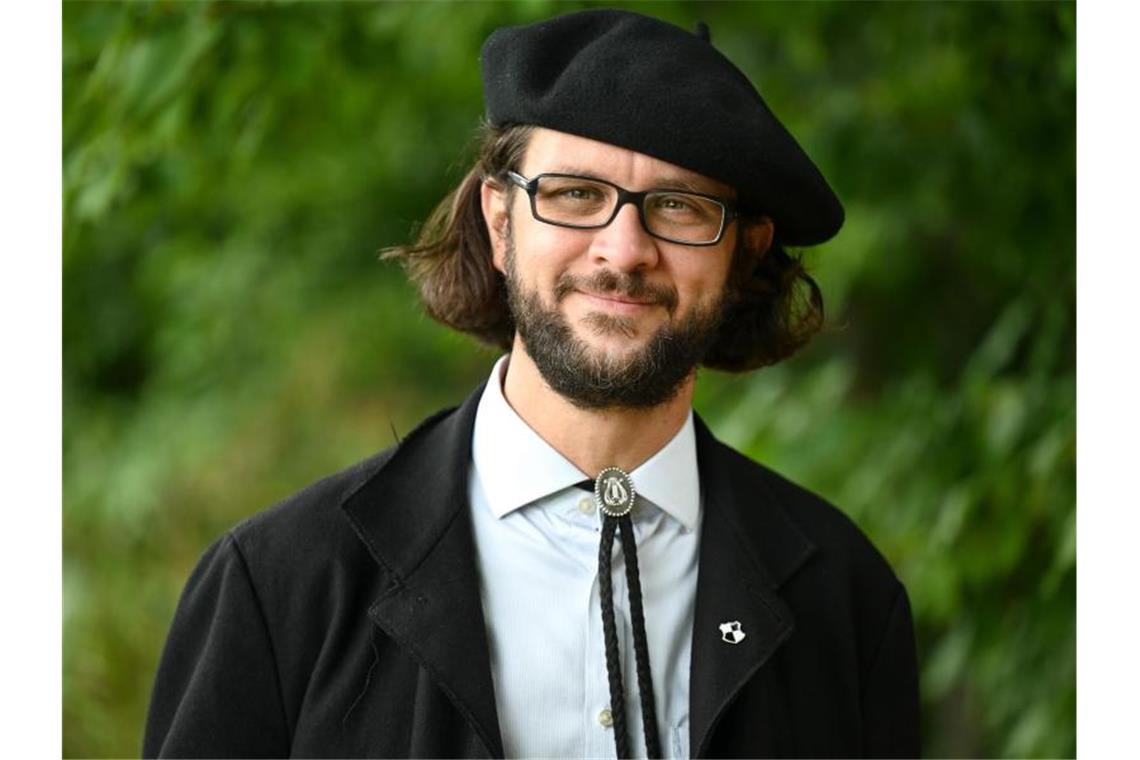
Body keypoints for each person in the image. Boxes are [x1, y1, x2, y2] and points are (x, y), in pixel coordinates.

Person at [144, 9, 919, 759]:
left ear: (744, 253)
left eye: (678, 207)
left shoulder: (844, 600)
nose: (624, 251)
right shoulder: (280, 587)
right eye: (575, 194)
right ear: (500, 221)